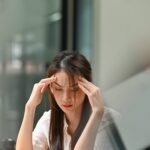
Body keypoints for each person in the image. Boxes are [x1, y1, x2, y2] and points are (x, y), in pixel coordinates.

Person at [16, 51, 120, 150]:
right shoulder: (48, 120)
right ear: (50, 88)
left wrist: (97, 113)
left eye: (74, 89)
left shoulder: (109, 121)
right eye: (58, 88)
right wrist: (30, 107)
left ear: (89, 87)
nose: (66, 98)